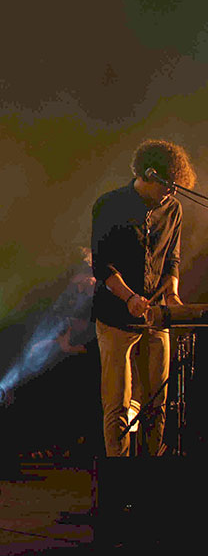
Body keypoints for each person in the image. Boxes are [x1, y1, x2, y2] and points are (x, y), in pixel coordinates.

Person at [91, 139, 195, 457]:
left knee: (157, 402)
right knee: (118, 405)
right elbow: (102, 265)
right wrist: (130, 298)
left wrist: (172, 294)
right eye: (169, 185)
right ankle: (119, 479)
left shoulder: (172, 209)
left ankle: (151, 476)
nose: (173, 192)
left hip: (156, 316)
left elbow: (172, 259)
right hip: (115, 315)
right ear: (149, 174)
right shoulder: (109, 205)